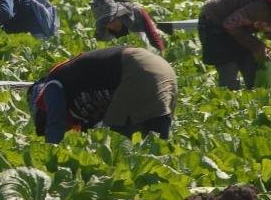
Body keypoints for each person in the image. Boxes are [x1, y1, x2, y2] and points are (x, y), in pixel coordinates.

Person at [27, 47, 177, 144]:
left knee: (118, 145)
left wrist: (49, 158)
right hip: (164, 70)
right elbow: (91, 129)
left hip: (135, 70)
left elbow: (55, 125)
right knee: (158, 145)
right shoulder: (82, 101)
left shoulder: (53, 84)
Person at [90, 0, 165, 51]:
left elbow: (153, 36)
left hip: (139, 29)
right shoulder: (102, 30)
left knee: (150, 46)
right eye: (106, 23)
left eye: (113, 20)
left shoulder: (137, 13)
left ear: (118, 15)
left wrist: (161, 52)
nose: (111, 24)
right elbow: (97, 47)